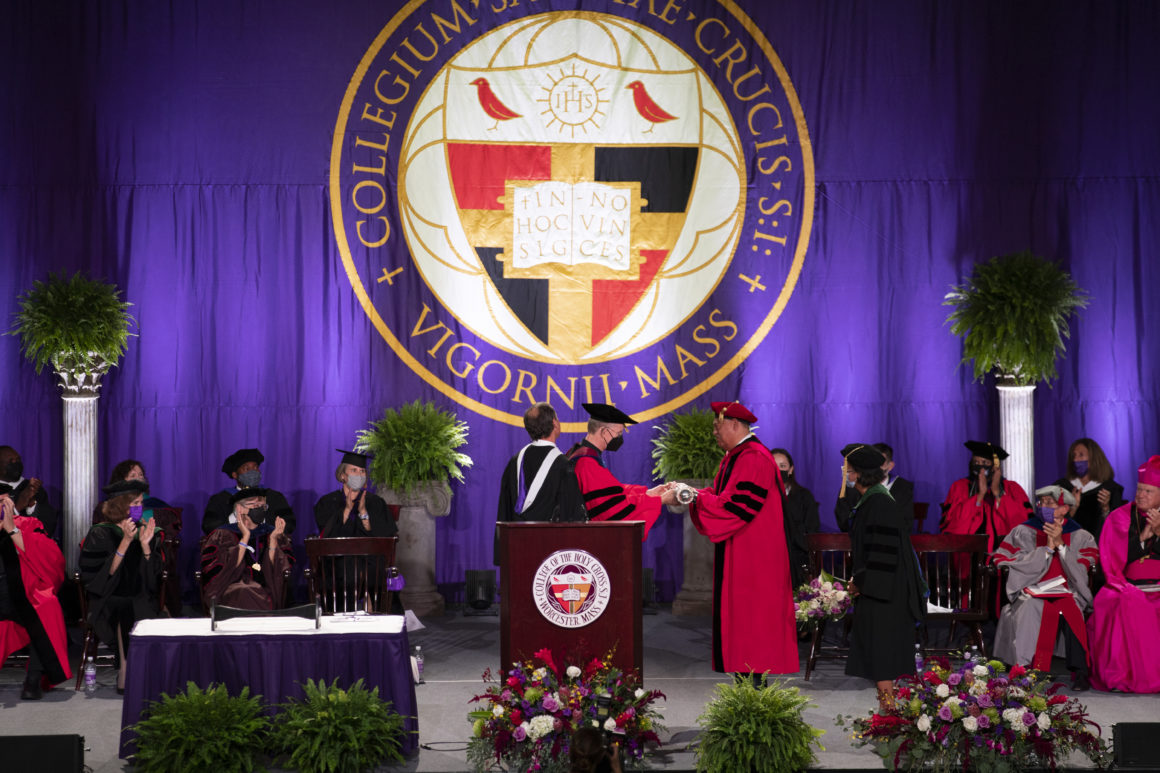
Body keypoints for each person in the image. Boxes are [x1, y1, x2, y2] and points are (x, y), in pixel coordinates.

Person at [662, 401, 797, 676]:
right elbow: (721, 495)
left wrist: (696, 497)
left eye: (717, 426)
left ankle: (755, 703)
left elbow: (736, 507)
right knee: (743, 627)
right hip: (744, 552)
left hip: (756, 559)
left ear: (734, 425)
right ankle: (747, 696)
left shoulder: (753, 457)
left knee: (754, 630)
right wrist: (691, 491)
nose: (714, 431)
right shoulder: (736, 456)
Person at [841, 443, 926, 712]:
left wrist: (860, 583)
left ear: (857, 474)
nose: (845, 474)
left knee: (884, 658)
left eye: (848, 470)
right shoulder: (872, 500)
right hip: (880, 590)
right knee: (882, 659)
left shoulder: (878, 503)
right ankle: (888, 714)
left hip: (886, 594)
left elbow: (883, 555)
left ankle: (890, 716)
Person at [992, 485, 1098, 690]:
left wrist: (1061, 545)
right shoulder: (1022, 531)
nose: (1042, 507)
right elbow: (1003, 561)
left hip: (1068, 591)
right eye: (1040, 503)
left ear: (1065, 508)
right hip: (1031, 590)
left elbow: (1083, 569)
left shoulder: (1081, 535)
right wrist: (1046, 550)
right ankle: (1027, 669)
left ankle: (1080, 672)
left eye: (1050, 503)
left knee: (1072, 608)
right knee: (1031, 607)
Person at [79, 479, 164, 691]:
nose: (139, 508)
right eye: (134, 503)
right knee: (126, 606)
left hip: (140, 594)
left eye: (140, 503)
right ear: (120, 506)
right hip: (108, 599)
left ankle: (146, 673)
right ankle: (126, 673)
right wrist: (126, 541)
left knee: (141, 604)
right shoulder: (100, 533)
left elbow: (151, 580)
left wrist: (145, 546)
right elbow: (102, 576)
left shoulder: (143, 531)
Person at [1086, 455, 1160, 693]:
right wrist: (1142, 539)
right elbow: (1112, 559)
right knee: (1114, 600)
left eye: (1148, 491)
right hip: (1126, 584)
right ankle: (1122, 677)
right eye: (1139, 489)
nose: (1141, 495)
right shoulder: (1120, 517)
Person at [0, 484, 70, 699]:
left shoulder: (28, 524)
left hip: (23, 594)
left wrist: (12, 529)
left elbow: (50, 558)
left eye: (4, 503)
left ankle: (33, 679)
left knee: (47, 606)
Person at [495, 402, 586, 563]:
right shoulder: (564, 466)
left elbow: (504, 509)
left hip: (517, 550)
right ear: (554, 424)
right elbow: (571, 514)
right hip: (550, 553)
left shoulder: (514, 461)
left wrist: (502, 552)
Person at [565, 403, 666, 540]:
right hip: (589, 539)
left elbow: (612, 492)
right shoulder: (587, 463)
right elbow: (614, 511)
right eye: (618, 434)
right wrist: (660, 500)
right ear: (604, 432)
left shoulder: (578, 453)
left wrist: (649, 493)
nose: (620, 438)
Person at [97, 459, 182, 614]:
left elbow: (169, 532)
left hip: (145, 573)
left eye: (141, 475)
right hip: (114, 581)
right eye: (132, 475)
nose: (138, 478)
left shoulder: (158, 508)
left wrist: (150, 541)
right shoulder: (103, 519)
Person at [200, 487, 293, 610]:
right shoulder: (223, 534)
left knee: (256, 591)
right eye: (255, 505)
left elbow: (277, 570)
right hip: (231, 587)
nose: (260, 509)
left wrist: (274, 539)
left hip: (266, 585)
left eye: (263, 506)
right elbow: (221, 572)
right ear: (240, 509)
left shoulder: (271, 532)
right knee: (244, 590)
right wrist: (245, 538)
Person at [939, 440, 1031, 555]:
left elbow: (1022, 523)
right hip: (968, 555)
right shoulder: (959, 487)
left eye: (985, 462)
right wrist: (979, 496)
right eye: (976, 462)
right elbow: (954, 526)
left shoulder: (1012, 488)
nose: (980, 467)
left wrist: (997, 494)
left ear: (994, 467)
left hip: (1005, 556)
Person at [202, 448, 296, 534]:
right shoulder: (220, 499)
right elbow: (209, 527)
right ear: (235, 475)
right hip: (233, 547)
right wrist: (236, 516)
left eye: (255, 467)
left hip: (268, 546)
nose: (253, 472)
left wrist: (260, 519)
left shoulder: (274, 497)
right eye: (247, 468)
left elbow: (289, 525)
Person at [314, 449, 399, 539]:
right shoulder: (327, 502)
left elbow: (383, 537)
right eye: (354, 470)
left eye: (362, 471)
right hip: (337, 551)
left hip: (368, 551)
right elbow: (327, 535)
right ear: (342, 475)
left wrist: (363, 512)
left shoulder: (375, 502)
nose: (359, 475)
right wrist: (347, 510)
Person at [1051, 438, 1124, 540]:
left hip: (1097, 548)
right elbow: (1051, 521)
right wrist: (1073, 508)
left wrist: (1106, 509)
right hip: (1067, 547)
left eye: (1081, 455)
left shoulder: (1110, 489)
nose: (1076, 460)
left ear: (1094, 458)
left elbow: (1117, 529)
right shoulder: (1061, 487)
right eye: (1074, 456)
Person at [835, 442, 914, 533]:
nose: (877, 467)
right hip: (857, 540)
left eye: (881, 463)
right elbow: (843, 518)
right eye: (872, 462)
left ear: (890, 465)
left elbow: (906, 523)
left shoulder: (902, 488)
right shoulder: (852, 487)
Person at [769, 448, 818, 588]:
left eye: (782, 466)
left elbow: (811, 530)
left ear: (790, 470)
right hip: (768, 558)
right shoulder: (761, 497)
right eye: (773, 466)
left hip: (796, 559)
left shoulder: (804, 497)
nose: (778, 470)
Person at [0, 445, 59, 539]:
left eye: (18, 460)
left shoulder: (33, 489)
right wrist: (18, 507)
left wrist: (32, 505)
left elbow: (48, 528)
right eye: (11, 461)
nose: (16, 464)